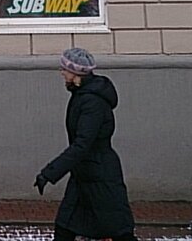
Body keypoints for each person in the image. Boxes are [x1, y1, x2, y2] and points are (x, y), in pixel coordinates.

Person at [34, 47, 137, 241]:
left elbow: (82, 144)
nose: (61, 72)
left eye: (65, 69)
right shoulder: (81, 95)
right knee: (64, 228)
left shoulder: (92, 102)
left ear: (76, 73)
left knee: (119, 231)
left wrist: (49, 172)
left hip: (100, 176)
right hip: (84, 175)